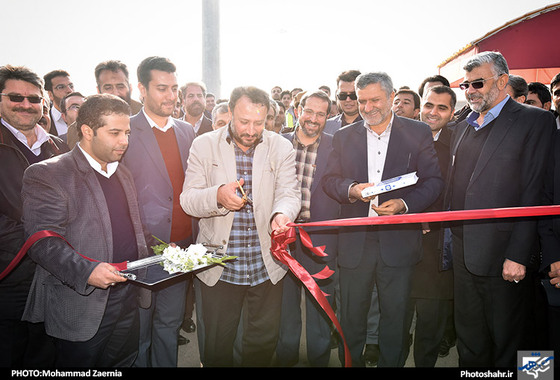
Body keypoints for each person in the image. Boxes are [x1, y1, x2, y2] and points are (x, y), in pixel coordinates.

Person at [21, 93, 153, 367]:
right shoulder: (48, 173)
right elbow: (42, 243)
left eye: (127, 132)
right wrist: (87, 271)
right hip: (81, 305)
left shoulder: (122, 172)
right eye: (115, 132)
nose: (125, 141)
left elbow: (132, 228)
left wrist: (163, 249)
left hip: (128, 297)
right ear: (87, 131)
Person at [322, 71, 443, 367]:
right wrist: (351, 189)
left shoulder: (418, 132)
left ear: (392, 98)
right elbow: (329, 180)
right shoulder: (343, 136)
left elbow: (433, 182)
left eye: (375, 100)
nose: (367, 107)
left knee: (396, 319)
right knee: (350, 320)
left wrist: (404, 203)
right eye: (362, 101)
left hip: (398, 242)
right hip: (354, 243)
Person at [446, 51, 555, 367]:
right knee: (471, 338)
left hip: (507, 255)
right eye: (466, 85)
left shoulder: (536, 121)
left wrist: (519, 255)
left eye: (478, 83)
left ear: (504, 80)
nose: (470, 91)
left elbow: (536, 191)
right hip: (464, 252)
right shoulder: (463, 125)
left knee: (516, 339)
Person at [180, 86, 301, 367]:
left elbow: (289, 193)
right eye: (244, 121)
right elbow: (188, 200)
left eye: (259, 123)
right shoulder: (203, 144)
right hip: (219, 268)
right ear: (230, 111)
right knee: (217, 348)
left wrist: (281, 214)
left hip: (266, 266)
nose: (251, 130)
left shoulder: (280, 146)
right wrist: (217, 196)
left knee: (261, 345)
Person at [121, 56, 196, 367]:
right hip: (141, 252)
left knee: (168, 324)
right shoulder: (125, 130)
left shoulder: (186, 132)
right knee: (139, 332)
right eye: (162, 88)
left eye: (174, 88)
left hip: (182, 249)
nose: (171, 96)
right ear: (142, 89)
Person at [0, 64, 68, 367]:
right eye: (16, 97)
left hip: (55, 276)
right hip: (10, 276)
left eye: (34, 99)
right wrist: (38, 245)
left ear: (45, 103)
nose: (26, 105)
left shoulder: (62, 149)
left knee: (47, 354)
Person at [276, 90, 339, 367]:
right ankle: (287, 357)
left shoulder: (337, 146)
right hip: (284, 237)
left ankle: (319, 360)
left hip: (320, 239)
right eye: (309, 111)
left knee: (319, 302)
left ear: (328, 116)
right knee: (285, 303)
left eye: (321, 113)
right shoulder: (279, 144)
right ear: (297, 109)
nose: (314, 118)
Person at [407, 85, 456, 367]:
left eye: (441, 108)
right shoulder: (401, 137)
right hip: (400, 237)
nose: (433, 113)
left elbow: (455, 190)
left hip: (437, 242)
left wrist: (429, 215)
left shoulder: (458, 144)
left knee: (430, 317)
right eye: (429, 105)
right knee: (398, 315)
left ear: (452, 113)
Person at [324, 70, 362, 135]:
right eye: (343, 95)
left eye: (353, 95)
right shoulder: (325, 127)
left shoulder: (374, 125)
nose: (348, 99)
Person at [43, 70, 74, 137]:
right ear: (50, 94)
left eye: (71, 86)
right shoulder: (43, 122)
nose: (70, 90)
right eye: (61, 87)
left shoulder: (89, 115)